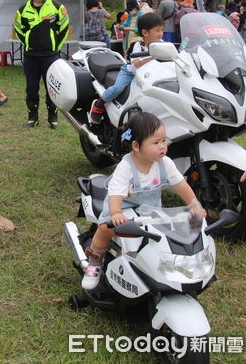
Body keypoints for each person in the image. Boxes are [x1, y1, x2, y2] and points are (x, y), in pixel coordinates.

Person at [81, 112, 207, 290]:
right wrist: (115, 213)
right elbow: (115, 193)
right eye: (156, 142)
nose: (162, 146)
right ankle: (94, 262)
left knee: (160, 238)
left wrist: (194, 205)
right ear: (136, 146)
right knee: (104, 229)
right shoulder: (126, 167)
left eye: (164, 140)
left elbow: (182, 186)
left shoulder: (165, 163)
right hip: (122, 208)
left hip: (150, 209)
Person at [13, 0, 70, 129]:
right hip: (31, 56)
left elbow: (64, 27)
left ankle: (53, 117)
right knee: (31, 88)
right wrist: (28, 43)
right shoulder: (23, 10)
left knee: (52, 88)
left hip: (51, 56)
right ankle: (33, 117)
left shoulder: (57, 7)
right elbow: (18, 29)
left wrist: (55, 46)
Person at [89, 13, 164, 124]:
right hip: (131, 72)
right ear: (145, 32)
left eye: (162, 30)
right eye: (157, 30)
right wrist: (155, 57)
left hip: (149, 74)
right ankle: (99, 103)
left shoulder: (162, 44)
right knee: (117, 88)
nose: (160, 34)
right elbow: (137, 63)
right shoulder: (139, 45)